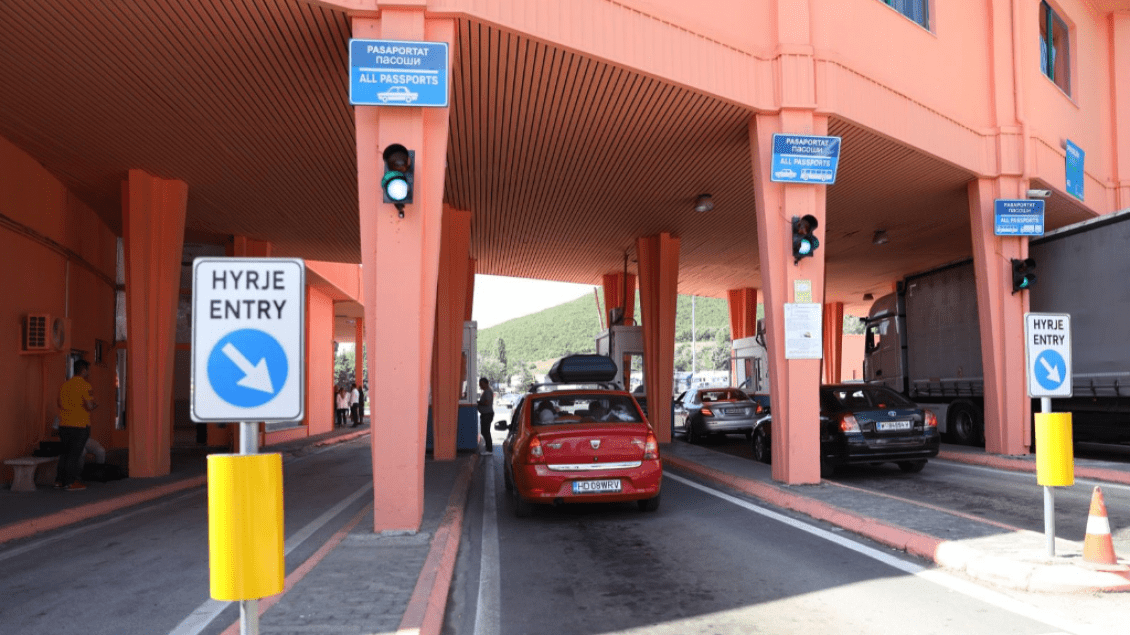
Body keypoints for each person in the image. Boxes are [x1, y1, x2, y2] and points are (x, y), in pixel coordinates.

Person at [56, 359, 96, 491]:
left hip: (64, 424)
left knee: (64, 453)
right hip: (79, 425)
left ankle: (59, 481)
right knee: (74, 454)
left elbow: (59, 403)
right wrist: (94, 405)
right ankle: (70, 482)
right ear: (83, 370)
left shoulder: (64, 385)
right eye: (87, 370)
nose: (88, 373)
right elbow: (89, 406)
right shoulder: (85, 386)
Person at [476, 377, 494, 456]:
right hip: (485, 414)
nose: (480, 386)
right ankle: (488, 448)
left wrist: (478, 403)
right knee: (484, 431)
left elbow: (487, 402)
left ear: (486, 383)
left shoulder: (487, 392)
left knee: (486, 432)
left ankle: (489, 449)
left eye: (481, 384)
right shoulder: (486, 391)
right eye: (480, 384)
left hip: (487, 414)